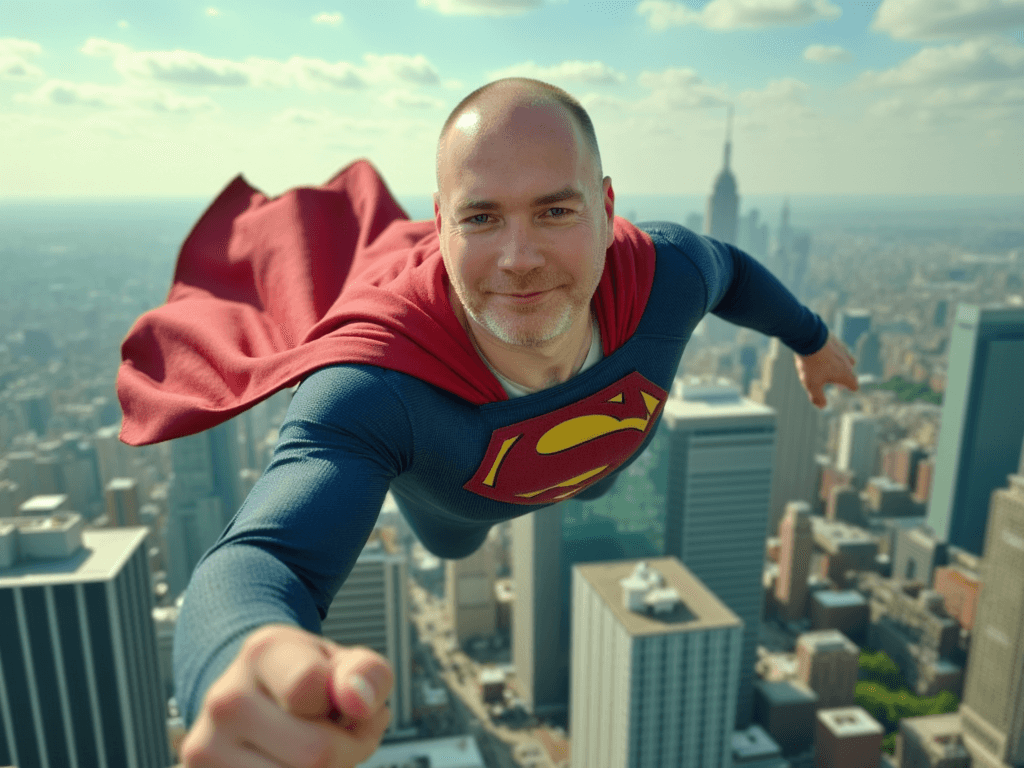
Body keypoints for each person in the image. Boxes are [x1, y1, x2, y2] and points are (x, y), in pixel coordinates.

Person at [118, 78, 858, 767]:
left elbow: (732, 269)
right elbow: (265, 560)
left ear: (606, 211)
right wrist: (241, 657)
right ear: (440, 229)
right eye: (481, 217)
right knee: (451, 541)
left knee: (596, 487)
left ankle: (585, 478)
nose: (520, 257)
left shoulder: (667, 275)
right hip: (456, 511)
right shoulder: (374, 388)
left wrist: (812, 338)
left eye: (555, 210)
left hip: (600, 465)